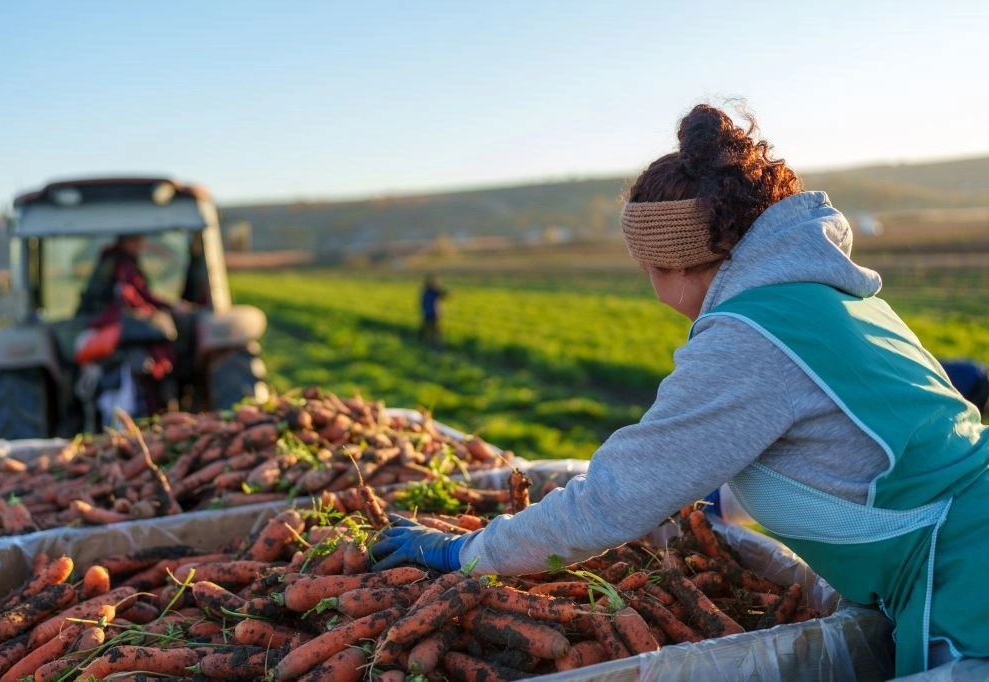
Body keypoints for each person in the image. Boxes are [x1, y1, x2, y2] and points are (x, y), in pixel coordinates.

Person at [371, 103, 989, 677]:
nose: (655, 293)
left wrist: (464, 555)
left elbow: (612, 500)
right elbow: (835, 451)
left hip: (968, 577)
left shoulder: (748, 338)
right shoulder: (818, 294)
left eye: (651, 274)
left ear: (676, 265)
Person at [77, 234, 188, 418]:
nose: (140, 245)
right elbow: (134, 295)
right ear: (125, 241)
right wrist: (167, 308)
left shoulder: (117, 262)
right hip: (113, 324)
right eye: (135, 241)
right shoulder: (120, 265)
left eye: (140, 240)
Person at [418, 273, 448, 347]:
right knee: (427, 330)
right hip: (428, 314)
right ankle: (427, 344)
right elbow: (423, 302)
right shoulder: (427, 291)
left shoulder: (435, 291)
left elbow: (446, 295)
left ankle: (437, 345)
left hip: (434, 314)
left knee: (436, 331)